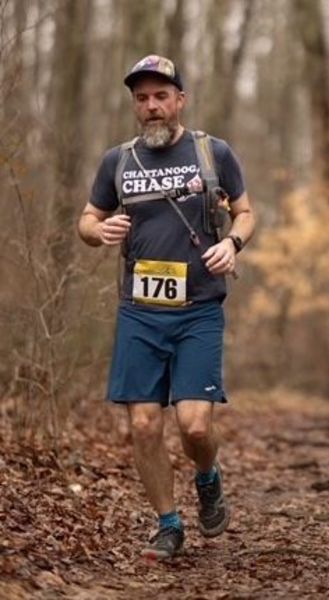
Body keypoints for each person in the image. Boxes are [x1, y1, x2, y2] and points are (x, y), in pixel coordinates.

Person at [78, 54, 256, 560]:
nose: (152, 107)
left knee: (195, 426)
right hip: (139, 311)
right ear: (135, 105)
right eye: (142, 98)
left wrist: (233, 245)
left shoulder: (212, 153)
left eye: (161, 96)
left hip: (199, 309)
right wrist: (99, 230)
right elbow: (87, 220)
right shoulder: (119, 161)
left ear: (180, 99)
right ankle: (168, 522)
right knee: (143, 425)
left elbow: (245, 213)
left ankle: (207, 474)